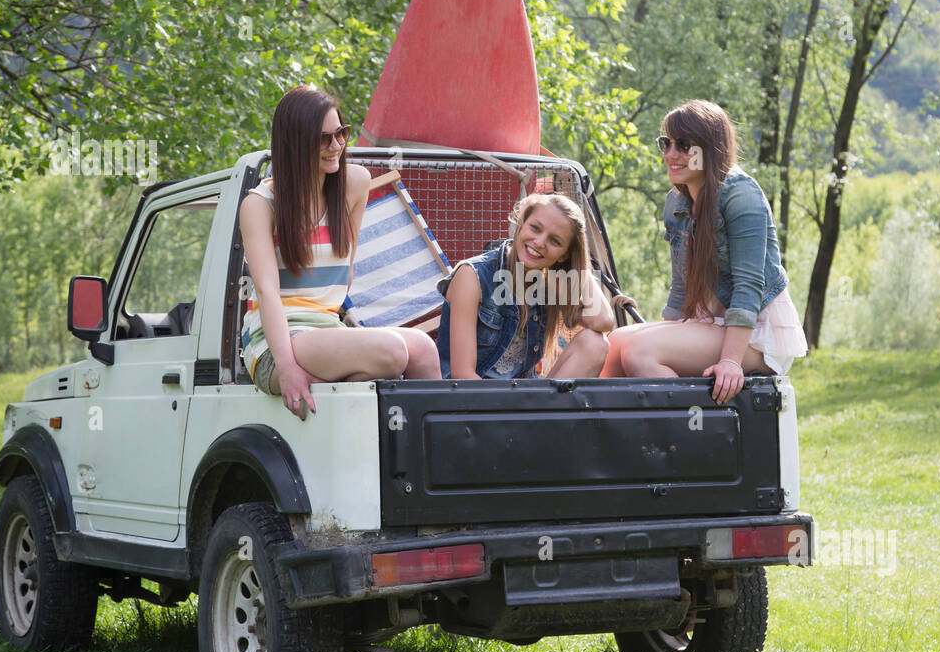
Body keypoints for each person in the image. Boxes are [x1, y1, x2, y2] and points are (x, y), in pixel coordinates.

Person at [240, 84, 440, 418]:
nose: (336, 146)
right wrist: (288, 368)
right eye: (323, 139)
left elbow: (342, 278)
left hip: (327, 331)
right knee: (391, 352)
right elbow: (267, 293)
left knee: (423, 349)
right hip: (277, 343)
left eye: (341, 134)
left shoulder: (355, 184)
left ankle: (432, 456)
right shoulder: (260, 205)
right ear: (295, 143)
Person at [601, 99, 807, 403]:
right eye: (665, 143)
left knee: (641, 352)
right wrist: (666, 335)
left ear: (709, 149)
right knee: (615, 343)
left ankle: (689, 439)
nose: (670, 154)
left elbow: (749, 286)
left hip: (756, 334)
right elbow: (681, 290)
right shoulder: (677, 203)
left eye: (683, 145)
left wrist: (731, 361)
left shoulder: (742, 195)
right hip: (710, 322)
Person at [436, 192, 615, 379]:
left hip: (525, 398)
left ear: (564, 254)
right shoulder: (473, 275)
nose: (539, 243)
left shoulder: (551, 285)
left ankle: (549, 409)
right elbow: (462, 376)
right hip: (473, 399)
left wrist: (578, 268)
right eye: (535, 228)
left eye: (554, 241)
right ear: (521, 225)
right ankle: (548, 409)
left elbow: (603, 321)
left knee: (595, 344)